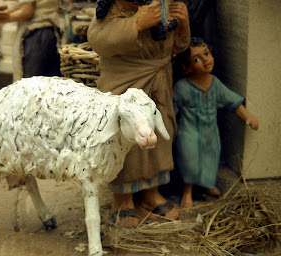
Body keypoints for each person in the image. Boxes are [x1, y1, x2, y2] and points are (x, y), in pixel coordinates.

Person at [87, 0, 190, 227]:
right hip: (125, 83)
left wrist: (182, 27)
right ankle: (123, 199)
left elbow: (177, 46)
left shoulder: (163, 4)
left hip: (159, 81)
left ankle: (151, 194)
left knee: (160, 138)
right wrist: (136, 24)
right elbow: (98, 40)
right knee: (128, 142)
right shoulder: (113, 8)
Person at [0, 0, 65, 188]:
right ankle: (51, 155)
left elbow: (27, 11)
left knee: (28, 99)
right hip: (51, 34)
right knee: (50, 95)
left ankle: (25, 163)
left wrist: (3, 17)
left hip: (38, 36)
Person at [173, 37, 259, 208]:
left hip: (210, 132)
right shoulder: (182, 87)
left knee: (210, 157)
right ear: (186, 67)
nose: (205, 60)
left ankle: (206, 184)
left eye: (206, 53)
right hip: (188, 132)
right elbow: (172, 109)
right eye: (197, 59)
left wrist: (247, 116)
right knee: (189, 159)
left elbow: (231, 101)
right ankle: (188, 191)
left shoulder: (215, 84)